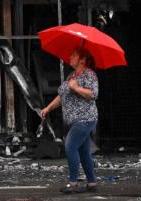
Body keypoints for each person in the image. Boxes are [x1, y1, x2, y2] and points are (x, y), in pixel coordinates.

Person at [40, 48, 100, 194]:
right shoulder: (71, 76)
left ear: (82, 60)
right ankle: (91, 183)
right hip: (73, 121)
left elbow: (93, 94)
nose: (70, 57)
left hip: (85, 119)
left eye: (73, 55)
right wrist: (48, 108)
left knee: (70, 146)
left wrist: (76, 87)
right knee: (84, 151)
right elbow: (62, 96)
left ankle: (73, 182)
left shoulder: (89, 75)